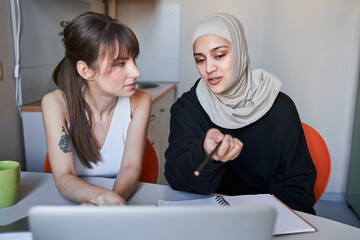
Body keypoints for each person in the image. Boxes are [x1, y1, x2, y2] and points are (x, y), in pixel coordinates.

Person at [164, 13, 317, 214]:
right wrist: (206, 154)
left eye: (219, 55)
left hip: (269, 223)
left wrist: (262, 224)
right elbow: (178, 179)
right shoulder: (187, 108)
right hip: (210, 220)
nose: (209, 68)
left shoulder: (281, 108)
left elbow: (297, 189)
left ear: (241, 51)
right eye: (200, 60)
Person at [42, 12, 151, 206]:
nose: (136, 72)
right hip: (75, 203)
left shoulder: (140, 101)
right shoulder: (55, 103)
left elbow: (131, 168)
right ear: (86, 70)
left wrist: (112, 201)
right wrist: (102, 198)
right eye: (120, 64)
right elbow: (63, 177)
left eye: (134, 59)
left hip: (113, 199)